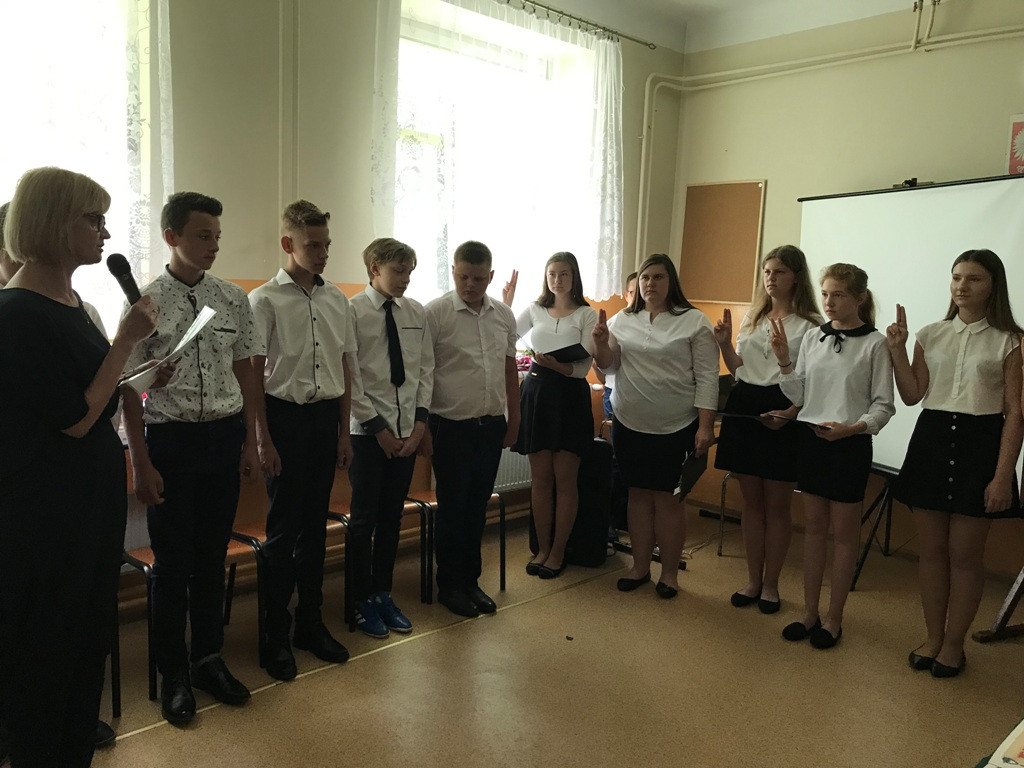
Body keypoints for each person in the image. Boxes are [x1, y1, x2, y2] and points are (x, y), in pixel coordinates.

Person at [0, 167, 157, 767]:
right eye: (93, 219)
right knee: (46, 659)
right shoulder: (17, 313)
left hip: (87, 509)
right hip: (48, 519)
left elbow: (97, 392)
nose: (105, 232)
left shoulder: (68, 304)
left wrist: (133, 365)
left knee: (85, 650)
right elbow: (74, 419)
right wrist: (125, 342)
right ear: (53, 223)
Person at [122, 192, 264, 726]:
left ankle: (208, 659)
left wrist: (250, 441)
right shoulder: (145, 304)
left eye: (217, 237)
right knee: (173, 565)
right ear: (172, 236)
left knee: (211, 558)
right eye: (203, 235)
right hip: (171, 442)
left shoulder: (232, 298)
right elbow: (127, 389)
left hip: (222, 437)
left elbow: (247, 371)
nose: (213, 246)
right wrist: (141, 462)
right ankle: (173, 674)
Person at [887, 249, 1023, 678]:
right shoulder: (931, 333)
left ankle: (953, 645)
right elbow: (913, 394)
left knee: (965, 556)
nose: (962, 286)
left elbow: (1015, 414)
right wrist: (897, 351)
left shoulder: (1010, 340)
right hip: (931, 441)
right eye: (957, 277)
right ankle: (932, 637)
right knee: (931, 552)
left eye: (974, 279)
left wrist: (1003, 476)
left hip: (980, 447)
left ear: (993, 286)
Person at [248, 200, 355, 681]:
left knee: (316, 530)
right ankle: (275, 636)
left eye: (327, 244)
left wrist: (344, 432)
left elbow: (344, 368)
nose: (323, 253)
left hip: (324, 421)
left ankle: (310, 624)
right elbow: (254, 375)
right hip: (283, 421)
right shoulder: (264, 300)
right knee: (282, 533)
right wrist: (263, 440)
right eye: (313, 245)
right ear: (288, 244)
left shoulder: (337, 301)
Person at [771, 263, 895, 649]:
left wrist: (852, 428)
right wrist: (784, 360)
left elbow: (883, 405)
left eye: (838, 294)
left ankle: (834, 618)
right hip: (812, 442)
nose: (829, 302)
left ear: (859, 298)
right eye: (825, 294)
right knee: (813, 531)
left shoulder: (875, 343)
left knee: (843, 537)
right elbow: (799, 395)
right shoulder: (814, 337)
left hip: (849, 445)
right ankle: (809, 612)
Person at [592, 253, 718, 599]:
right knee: (637, 497)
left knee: (668, 502)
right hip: (629, 424)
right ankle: (640, 568)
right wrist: (600, 345)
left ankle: (669, 574)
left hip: (676, 427)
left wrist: (705, 427)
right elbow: (608, 368)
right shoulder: (622, 320)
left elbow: (708, 378)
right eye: (646, 278)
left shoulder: (694, 321)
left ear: (671, 282)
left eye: (659, 277)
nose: (650, 284)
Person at [713, 245, 821, 614]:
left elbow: (813, 382)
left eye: (779, 272)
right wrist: (724, 345)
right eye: (767, 271)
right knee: (751, 503)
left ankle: (771, 585)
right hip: (746, 404)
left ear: (796, 277)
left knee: (777, 505)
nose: (771, 278)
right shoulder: (753, 317)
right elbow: (739, 368)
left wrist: (791, 413)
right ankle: (753, 581)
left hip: (784, 406)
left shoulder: (810, 325)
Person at [424, 240, 520, 618]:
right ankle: (449, 586)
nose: (470, 285)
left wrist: (514, 419)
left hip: (491, 425)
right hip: (449, 427)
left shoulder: (503, 315)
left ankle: (471, 581)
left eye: (478, 279)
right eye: (463, 277)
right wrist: (422, 425)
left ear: (490, 277)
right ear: (453, 272)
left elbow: (510, 369)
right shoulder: (436, 314)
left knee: (477, 509)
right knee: (453, 509)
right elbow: (423, 373)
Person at [347, 237, 433, 638]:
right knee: (363, 520)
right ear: (374, 268)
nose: (405, 279)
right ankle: (359, 599)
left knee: (392, 518)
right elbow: (351, 376)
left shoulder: (415, 312)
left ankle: (382, 592)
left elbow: (425, 370)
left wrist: (419, 426)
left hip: (406, 433)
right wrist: (378, 429)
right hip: (368, 434)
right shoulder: (352, 311)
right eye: (398, 271)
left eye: (409, 272)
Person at [508, 252, 598, 578]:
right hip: (538, 393)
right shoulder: (534, 309)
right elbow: (505, 334)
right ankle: (543, 548)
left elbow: (584, 367)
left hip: (569, 396)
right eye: (552, 274)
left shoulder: (587, 314)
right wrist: (506, 303)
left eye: (564, 274)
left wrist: (558, 366)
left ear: (574, 277)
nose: (557, 280)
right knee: (541, 479)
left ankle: (559, 551)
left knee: (565, 480)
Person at [592, 272, 637, 420]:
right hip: (615, 391)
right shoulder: (613, 323)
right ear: (625, 295)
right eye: (634, 293)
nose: (639, 298)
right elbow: (600, 365)